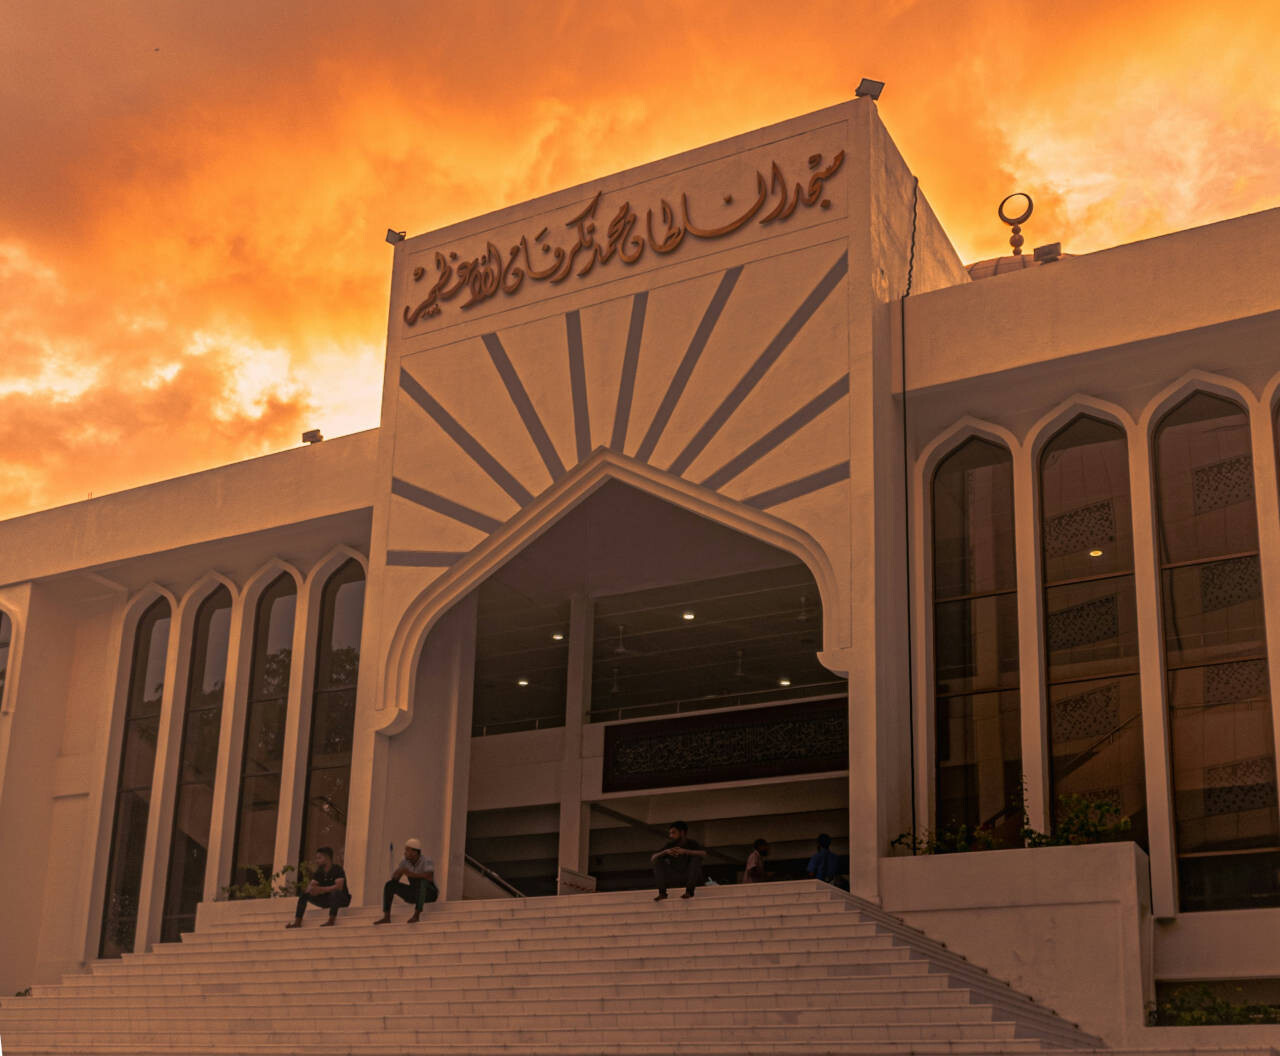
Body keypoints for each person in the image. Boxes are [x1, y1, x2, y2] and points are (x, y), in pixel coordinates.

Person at [373, 837, 438, 924]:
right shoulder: (405, 862)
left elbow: (429, 877)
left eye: (407, 850)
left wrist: (409, 873)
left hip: (429, 893)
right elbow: (394, 879)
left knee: (422, 882)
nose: (405, 853)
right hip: (414, 892)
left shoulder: (427, 861)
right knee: (390, 885)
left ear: (415, 852)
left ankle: (416, 915)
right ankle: (386, 917)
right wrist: (399, 871)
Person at [285, 846, 350, 928]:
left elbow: (339, 887)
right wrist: (310, 890)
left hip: (341, 900)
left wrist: (321, 889)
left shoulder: (337, 869)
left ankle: (331, 920)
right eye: (316, 858)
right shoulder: (319, 871)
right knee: (304, 894)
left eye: (319, 858)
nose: (317, 861)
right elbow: (312, 885)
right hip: (327, 900)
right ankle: (297, 922)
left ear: (327, 858)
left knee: (335, 893)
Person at [651, 821, 707, 901]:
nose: (671, 836)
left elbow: (703, 853)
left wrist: (686, 851)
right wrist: (665, 852)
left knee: (696, 858)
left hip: (689, 875)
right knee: (658, 861)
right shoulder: (670, 845)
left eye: (673, 833)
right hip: (675, 875)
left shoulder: (692, 843)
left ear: (682, 832)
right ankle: (662, 893)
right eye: (670, 833)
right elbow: (653, 858)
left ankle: (689, 891)